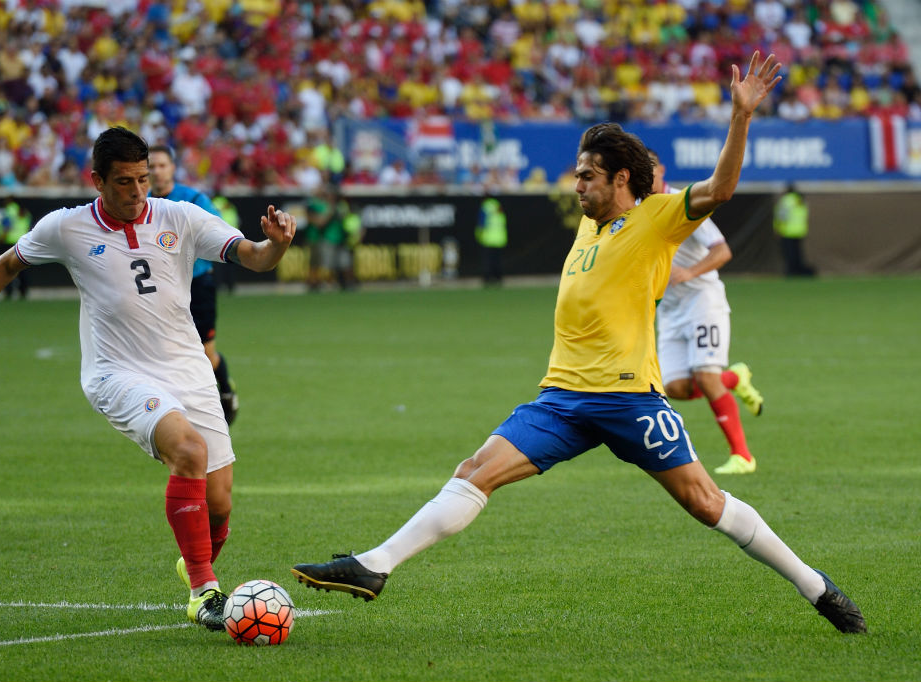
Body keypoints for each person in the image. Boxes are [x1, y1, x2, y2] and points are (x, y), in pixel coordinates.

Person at [291, 54, 866, 634]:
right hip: (562, 398)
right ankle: (375, 564)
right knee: (475, 469)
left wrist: (740, 117)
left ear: (620, 180)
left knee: (705, 503)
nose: (577, 183)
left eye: (588, 174)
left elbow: (721, 187)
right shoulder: (589, 225)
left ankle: (816, 587)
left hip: (627, 399)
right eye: (578, 172)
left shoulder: (657, 219)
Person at [0, 127, 297, 632]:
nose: (138, 192)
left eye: (142, 179)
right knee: (188, 451)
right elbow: (7, 265)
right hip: (117, 372)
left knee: (219, 500)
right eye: (123, 182)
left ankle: (194, 559)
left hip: (188, 370)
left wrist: (276, 247)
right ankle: (204, 591)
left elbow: (251, 256)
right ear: (97, 181)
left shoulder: (178, 216)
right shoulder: (66, 228)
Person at [649, 149, 764, 475]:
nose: (647, 176)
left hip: (702, 301)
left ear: (662, 170)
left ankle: (743, 456)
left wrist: (689, 272)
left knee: (706, 377)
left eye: (651, 169)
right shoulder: (640, 210)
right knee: (675, 388)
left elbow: (722, 250)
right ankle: (735, 378)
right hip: (670, 310)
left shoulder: (684, 204)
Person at [148, 145, 240, 424]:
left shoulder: (193, 199)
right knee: (166, 351)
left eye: (162, 165)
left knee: (204, 352)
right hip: (163, 288)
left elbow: (218, 231)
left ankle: (225, 390)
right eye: (151, 166)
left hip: (197, 282)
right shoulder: (141, 204)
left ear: (173, 168)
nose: (156, 171)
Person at [774, 184, 815, 277]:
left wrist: (777, 228)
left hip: (787, 231)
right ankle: (799, 270)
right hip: (800, 231)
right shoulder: (801, 200)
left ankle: (792, 271)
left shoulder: (786, 200)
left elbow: (781, 216)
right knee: (798, 253)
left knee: (789, 253)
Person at [0, 197, 31, 300]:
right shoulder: (25, 213)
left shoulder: (10, 210)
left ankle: (8, 292)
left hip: (8, 243)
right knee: (22, 268)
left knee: (7, 268)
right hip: (22, 242)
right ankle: (23, 291)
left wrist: (1, 237)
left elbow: (7, 226)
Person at [475, 193, 507, 286]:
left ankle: (487, 279)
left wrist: (478, 235)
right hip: (500, 238)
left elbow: (481, 223)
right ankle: (498, 278)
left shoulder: (485, 207)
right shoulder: (497, 205)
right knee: (498, 261)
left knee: (488, 261)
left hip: (488, 238)